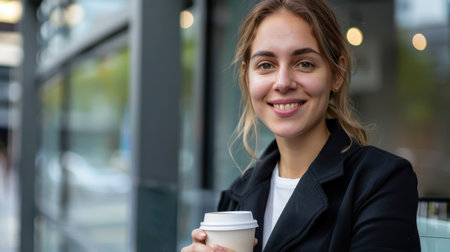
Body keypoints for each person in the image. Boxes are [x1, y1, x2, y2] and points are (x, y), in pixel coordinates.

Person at [182, 0, 420, 251]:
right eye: (266, 65)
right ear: (247, 77)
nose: (283, 82)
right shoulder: (236, 197)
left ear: (337, 74)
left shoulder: (381, 182)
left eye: (304, 63)